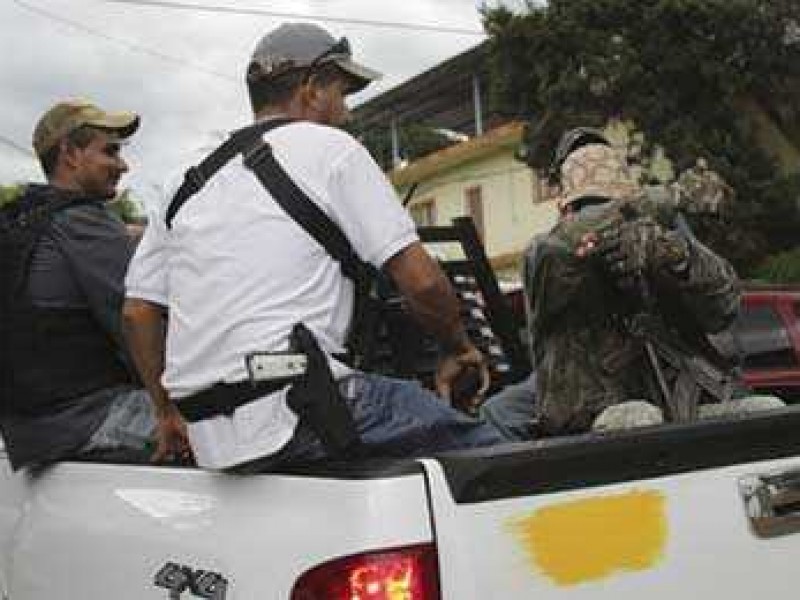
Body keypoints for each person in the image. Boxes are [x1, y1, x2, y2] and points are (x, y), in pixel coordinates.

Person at [123, 22, 504, 472]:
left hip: (209, 435)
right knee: (504, 462)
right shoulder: (333, 149)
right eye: (342, 94)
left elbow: (138, 312)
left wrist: (166, 412)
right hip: (299, 407)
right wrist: (458, 348)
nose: (345, 112)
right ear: (310, 89)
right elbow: (420, 282)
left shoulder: (185, 179)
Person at [484, 127, 767, 437]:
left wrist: (676, 257)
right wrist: (669, 197)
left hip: (683, 400)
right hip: (595, 409)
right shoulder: (551, 255)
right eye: (589, 208)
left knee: (763, 412)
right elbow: (556, 248)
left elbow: (724, 307)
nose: (601, 217)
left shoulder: (661, 235)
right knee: (628, 419)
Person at [0, 99, 163, 470]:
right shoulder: (83, 221)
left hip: (28, 427)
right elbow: (141, 324)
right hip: (86, 419)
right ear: (70, 154)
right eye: (110, 152)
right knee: (233, 427)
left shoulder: (21, 220)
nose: (122, 165)